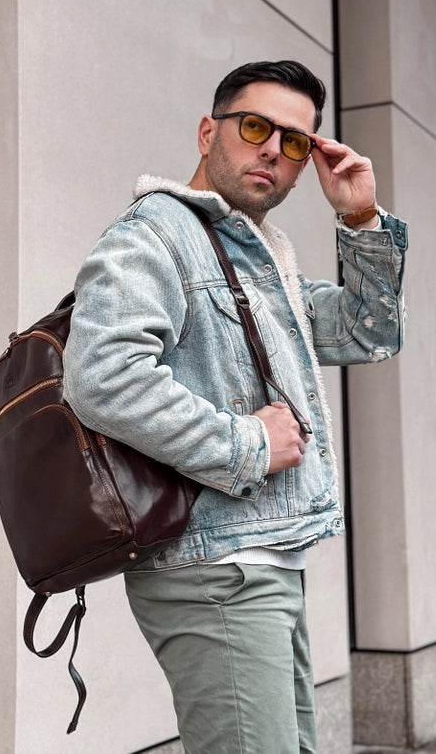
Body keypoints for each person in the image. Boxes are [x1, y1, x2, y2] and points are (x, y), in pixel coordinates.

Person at [63, 60, 407, 753]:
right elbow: (101, 376)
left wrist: (359, 217)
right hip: (215, 569)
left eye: (294, 141)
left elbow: (365, 332)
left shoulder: (254, 257)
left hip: (261, 561)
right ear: (207, 132)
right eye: (254, 127)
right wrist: (247, 442)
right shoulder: (156, 233)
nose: (272, 150)